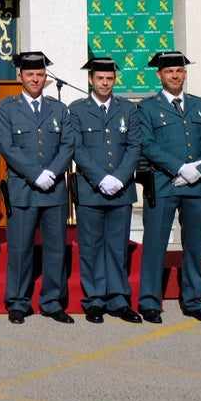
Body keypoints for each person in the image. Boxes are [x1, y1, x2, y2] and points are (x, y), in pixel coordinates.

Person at [137, 51, 201, 324]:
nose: (175, 75)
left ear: (185, 74)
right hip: (164, 184)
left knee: (194, 246)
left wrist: (197, 170)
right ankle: (150, 301)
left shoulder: (200, 104)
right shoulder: (147, 107)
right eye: (169, 71)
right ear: (159, 75)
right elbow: (147, 144)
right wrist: (179, 168)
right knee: (155, 245)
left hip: (197, 186)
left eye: (179, 71)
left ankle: (193, 300)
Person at [0, 51, 76, 324]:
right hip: (22, 190)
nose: (35, 79)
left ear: (45, 77)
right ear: (20, 77)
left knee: (56, 249)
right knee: (20, 249)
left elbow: (68, 145)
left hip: (54, 189)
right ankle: (18, 302)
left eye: (40, 74)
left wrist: (51, 173)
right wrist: (35, 174)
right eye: (30, 74)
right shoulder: (7, 108)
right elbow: (7, 146)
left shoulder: (58, 109)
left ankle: (52, 302)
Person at [68, 57, 143, 324]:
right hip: (91, 189)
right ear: (91, 80)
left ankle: (119, 300)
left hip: (121, 189)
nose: (105, 83)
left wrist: (119, 178)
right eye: (100, 78)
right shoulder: (77, 109)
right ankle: (95, 300)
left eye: (109, 79)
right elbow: (76, 147)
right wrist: (101, 179)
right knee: (91, 247)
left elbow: (134, 145)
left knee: (118, 247)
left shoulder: (128, 108)